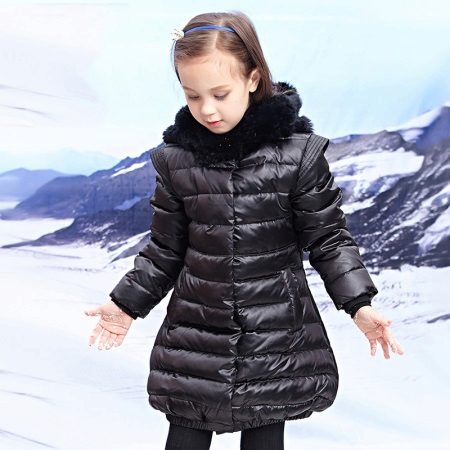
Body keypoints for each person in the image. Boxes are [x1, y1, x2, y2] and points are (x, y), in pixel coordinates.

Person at [84, 10, 404, 450]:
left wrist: (358, 303)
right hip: (196, 333)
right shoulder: (176, 161)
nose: (207, 109)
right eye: (192, 95)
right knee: (185, 436)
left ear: (253, 78)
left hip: (275, 331)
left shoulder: (298, 156)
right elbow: (164, 249)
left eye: (220, 93)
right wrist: (125, 304)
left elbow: (328, 239)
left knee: (265, 435)